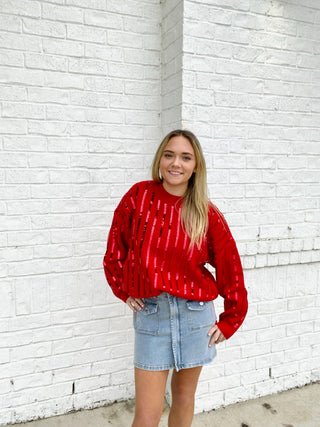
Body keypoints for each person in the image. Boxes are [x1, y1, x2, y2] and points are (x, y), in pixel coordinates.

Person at [103, 129, 248, 427]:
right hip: (152, 314)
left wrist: (232, 317)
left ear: (196, 166)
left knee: (183, 399)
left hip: (196, 317)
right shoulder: (138, 197)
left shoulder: (205, 212)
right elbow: (116, 247)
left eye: (185, 157)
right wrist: (123, 288)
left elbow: (230, 262)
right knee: (147, 415)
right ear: (160, 159)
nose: (176, 163)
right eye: (169, 155)